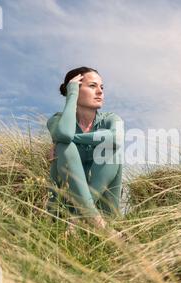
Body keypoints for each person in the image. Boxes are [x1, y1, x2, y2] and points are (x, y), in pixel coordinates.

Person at [46, 67, 124, 230]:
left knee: (109, 147)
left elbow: (116, 139)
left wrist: (73, 138)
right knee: (64, 146)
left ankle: (81, 218)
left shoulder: (111, 119)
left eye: (102, 87)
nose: (100, 92)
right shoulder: (57, 120)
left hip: (104, 213)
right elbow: (65, 135)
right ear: (73, 89)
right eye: (92, 86)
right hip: (63, 214)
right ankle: (94, 223)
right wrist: (71, 95)